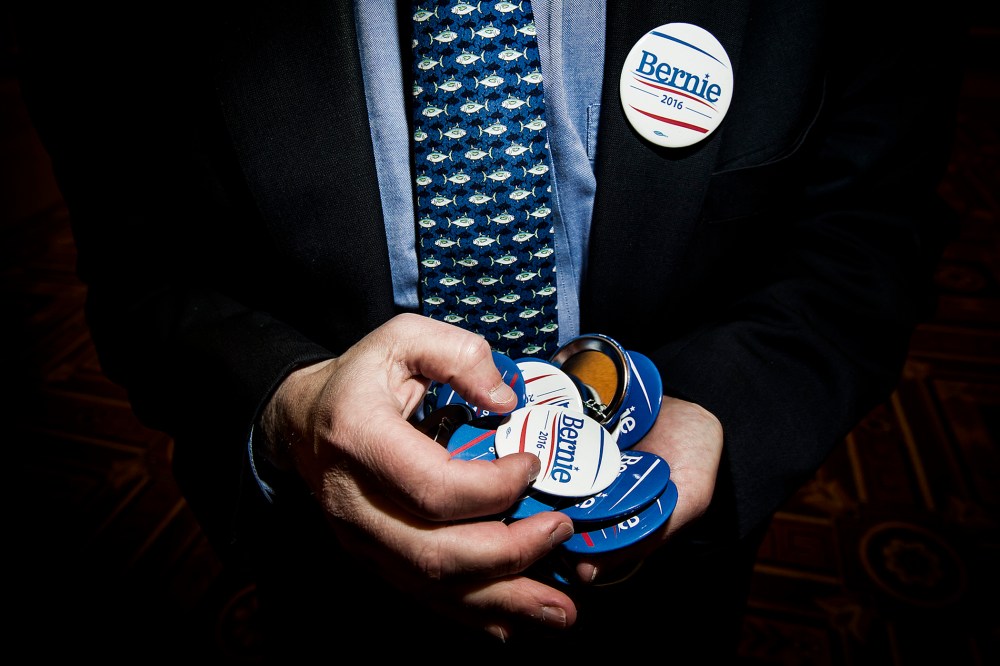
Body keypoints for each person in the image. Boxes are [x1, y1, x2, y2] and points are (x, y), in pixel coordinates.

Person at [13, 0, 965, 661]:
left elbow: (869, 233)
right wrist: (290, 409)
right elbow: (141, 272)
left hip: (664, 587)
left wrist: (719, 407)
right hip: (332, 580)